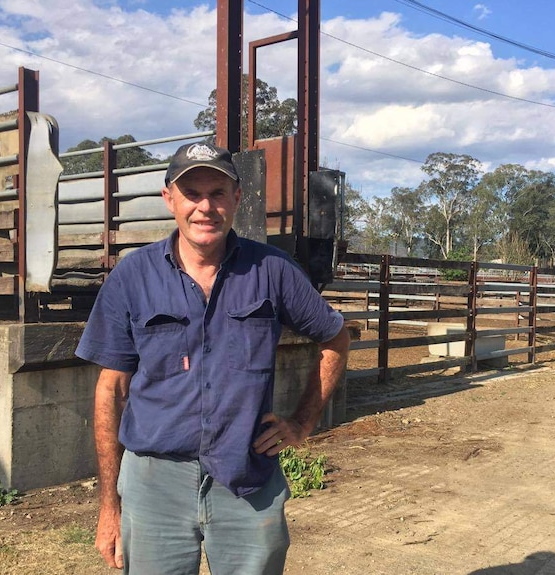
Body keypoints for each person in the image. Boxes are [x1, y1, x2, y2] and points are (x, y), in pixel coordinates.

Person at [75, 141, 350, 574]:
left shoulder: (272, 271)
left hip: (246, 477)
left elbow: (335, 337)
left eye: (218, 193)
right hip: (154, 483)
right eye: (192, 194)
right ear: (170, 199)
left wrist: (302, 423)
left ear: (237, 198)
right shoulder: (133, 276)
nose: (205, 207)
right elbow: (109, 391)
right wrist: (109, 506)